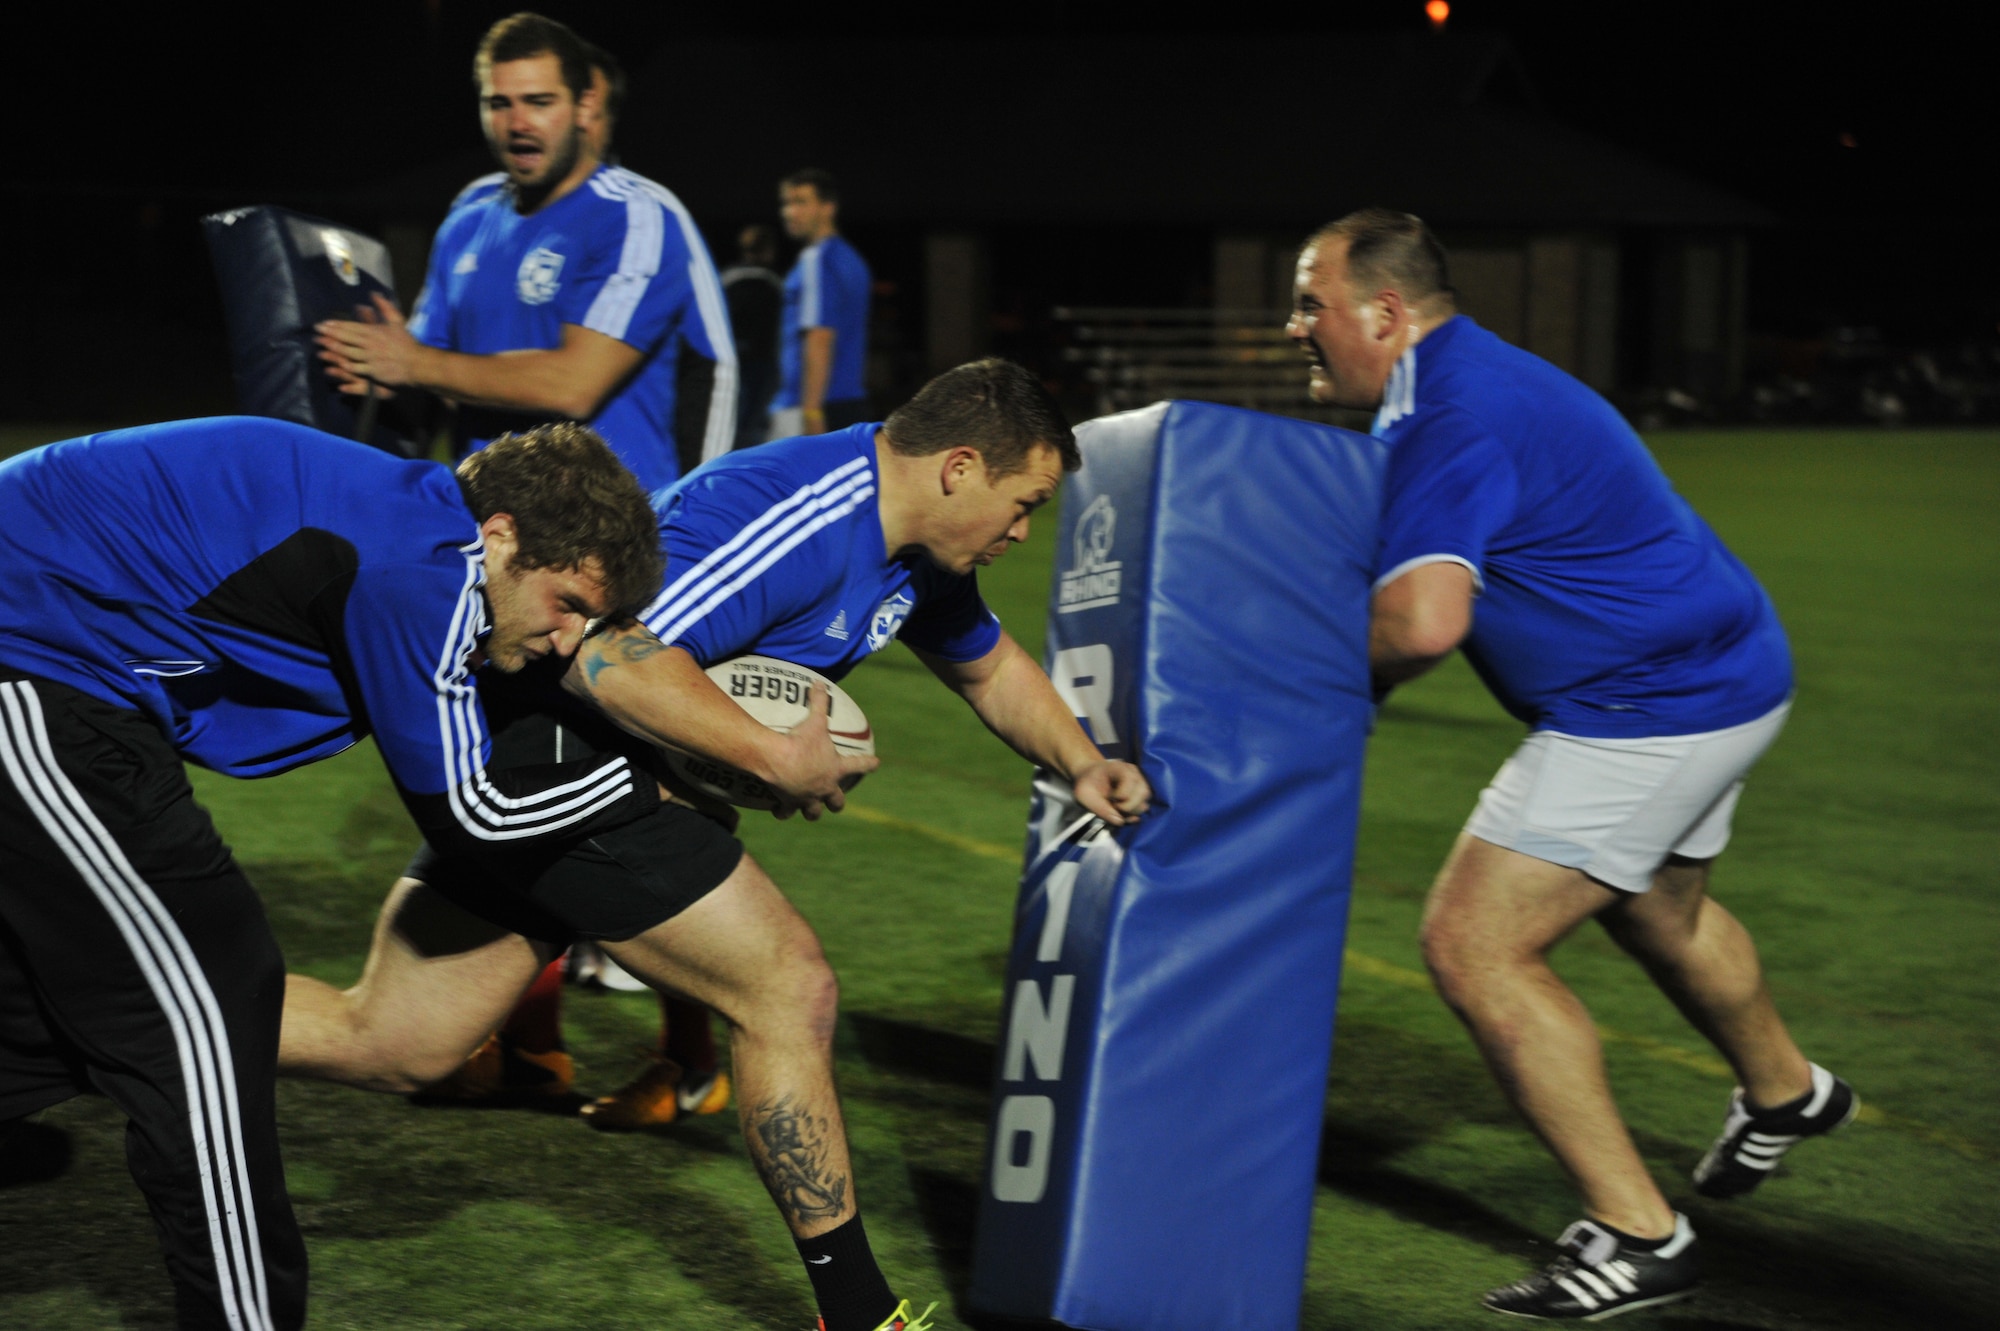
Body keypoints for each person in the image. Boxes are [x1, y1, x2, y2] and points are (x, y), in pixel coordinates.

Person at [277, 359, 1152, 1331]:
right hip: (554, 762)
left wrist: (1080, 760)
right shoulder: (800, 512)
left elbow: (986, 669)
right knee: (787, 985)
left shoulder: (920, 555)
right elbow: (607, 648)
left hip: (554, 772)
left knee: (392, 1038)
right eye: (1022, 501)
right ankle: (860, 1314)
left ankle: (122, 1010)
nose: (1022, 529)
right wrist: (770, 756)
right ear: (957, 468)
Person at [1288, 209, 1856, 1321]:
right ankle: (1787, 1091)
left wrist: (1309, 685)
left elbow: (1418, 623)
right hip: (1727, 663)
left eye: (1311, 301)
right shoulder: (1464, 376)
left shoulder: (1444, 411)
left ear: (1383, 312)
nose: (1293, 325)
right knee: (1658, 910)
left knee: (1471, 942)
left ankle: (1641, 1233)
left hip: (1650, 705)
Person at [0, 415, 672, 1331]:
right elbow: (470, 813)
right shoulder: (427, 564)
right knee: (210, 1000)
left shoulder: (407, 528)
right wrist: (656, 780)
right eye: (565, 603)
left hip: (62, 670)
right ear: (503, 532)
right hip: (31, 668)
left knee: (43, 1014)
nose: (566, 639)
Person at [314, 13, 737, 494]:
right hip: (484, 521)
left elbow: (574, 385)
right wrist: (372, 361)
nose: (517, 124)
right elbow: (431, 369)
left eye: (539, 102)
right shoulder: (469, 215)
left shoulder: (634, 214)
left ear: (585, 105)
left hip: (602, 533)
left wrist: (413, 363)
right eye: (498, 103)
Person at [771, 168, 871, 438]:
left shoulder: (817, 260)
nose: (789, 212)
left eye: (801, 202)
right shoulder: (852, 259)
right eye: (786, 203)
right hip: (847, 401)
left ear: (828, 208)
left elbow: (819, 335)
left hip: (811, 406)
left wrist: (811, 412)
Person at [723, 224, 785, 451]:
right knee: (756, 426)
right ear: (768, 250)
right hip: (764, 363)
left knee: (732, 424)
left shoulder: (726, 279)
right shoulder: (775, 283)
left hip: (733, 363)